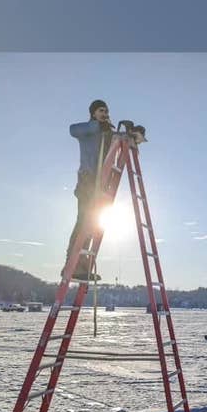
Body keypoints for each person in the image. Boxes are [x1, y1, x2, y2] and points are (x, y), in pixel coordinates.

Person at [64, 99, 114, 281]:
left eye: (106, 111)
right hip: (87, 179)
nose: (104, 114)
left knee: (94, 224)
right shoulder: (87, 130)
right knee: (84, 221)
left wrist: (134, 134)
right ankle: (71, 264)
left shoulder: (107, 132)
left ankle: (83, 265)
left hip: (101, 183)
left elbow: (119, 141)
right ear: (93, 113)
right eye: (101, 110)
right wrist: (97, 126)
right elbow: (72, 130)